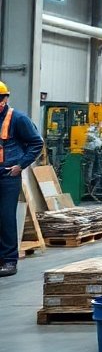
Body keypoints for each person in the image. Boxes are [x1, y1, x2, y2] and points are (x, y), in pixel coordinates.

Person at [0, 81, 44, 278]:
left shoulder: (18, 119)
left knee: (6, 217)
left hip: (8, 176)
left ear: (6, 98)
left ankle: (9, 260)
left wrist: (20, 166)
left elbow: (36, 143)